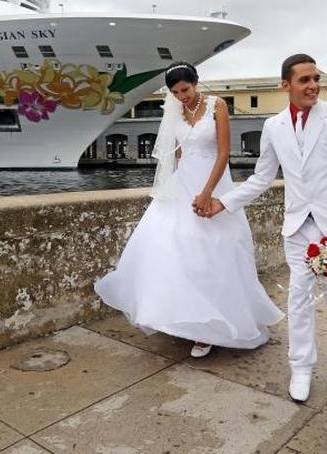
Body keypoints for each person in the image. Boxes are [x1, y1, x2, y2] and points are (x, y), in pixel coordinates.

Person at [197, 54, 327, 403]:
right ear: (285, 85)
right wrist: (225, 201)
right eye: (304, 80)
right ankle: (301, 367)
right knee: (299, 294)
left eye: (315, 79)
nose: (312, 86)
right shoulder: (273, 126)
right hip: (297, 225)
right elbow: (263, 177)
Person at [94, 62, 282, 358]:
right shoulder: (174, 110)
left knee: (215, 252)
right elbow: (179, 153)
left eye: (186, 89)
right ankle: (184, 320)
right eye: (175, 91)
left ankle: (211, 330)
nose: (182, 96)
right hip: (182, 184)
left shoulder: (217, 105)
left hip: (214, 182)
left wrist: (207, 193)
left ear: (196, 83)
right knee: (171, 249)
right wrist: (176, 188)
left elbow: (223, 153)